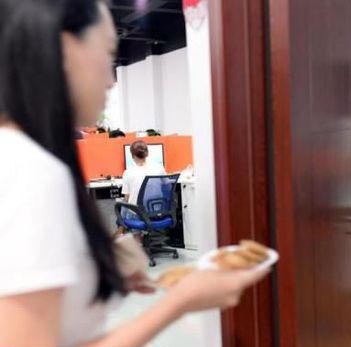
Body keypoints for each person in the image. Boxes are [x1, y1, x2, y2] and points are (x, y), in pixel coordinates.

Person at [0, 1, 269, 346]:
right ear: (65, 49)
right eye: (108, 52)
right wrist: (181, 301)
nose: (112, 80)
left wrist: (98, 265)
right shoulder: (31, 171)